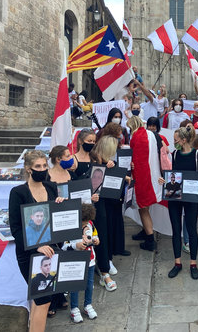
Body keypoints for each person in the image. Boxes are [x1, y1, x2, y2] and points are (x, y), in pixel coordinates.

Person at [9, 150, 64, 330]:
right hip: (29, 252)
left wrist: (61, 207)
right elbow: (16, 228)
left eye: (44, 165)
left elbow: (55, 221)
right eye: (37, 166)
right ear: (28, 169)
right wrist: (37, 245)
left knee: (40, 300)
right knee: (43, 300)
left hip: (50, 250)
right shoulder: (18, 193)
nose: (42, 169)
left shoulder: (51, 187)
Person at [164, 126, 198, 280]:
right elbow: (172, 175)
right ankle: (177, 263)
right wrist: (164, 180)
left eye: (176, 140)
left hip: (191, 196)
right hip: (175, 196)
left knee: (191, 229)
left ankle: (193, 264)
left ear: (184, 140)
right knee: (176, 229)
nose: (175, 142)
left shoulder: (197, 155)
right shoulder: (174, 155)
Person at [128, 116, 163, 251]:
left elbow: (137, 161)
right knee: (146, 209)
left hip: (143, 179)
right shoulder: (150, 134)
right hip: (153, 176)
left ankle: (150, 239)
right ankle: (145, 231)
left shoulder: (137, 137)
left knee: (143, 209)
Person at [89, 136, 119, 291]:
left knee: (103, 232)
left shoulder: (105, 162)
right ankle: (102, 268)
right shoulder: (93, 160)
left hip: (103, 201)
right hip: (91, 202)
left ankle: (105, 264)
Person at [62, 204, 99, 323]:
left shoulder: (91, 224)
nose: (84, 225)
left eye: (86, 222)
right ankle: (74, 308)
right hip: (76, 261)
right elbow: (63, 246)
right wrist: (75, 245)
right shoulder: (69, 229)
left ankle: (88, 305)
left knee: (89, 285)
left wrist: (96, 239)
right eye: (82, 223)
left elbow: (95, 235)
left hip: (90, 260)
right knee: (75, 286)